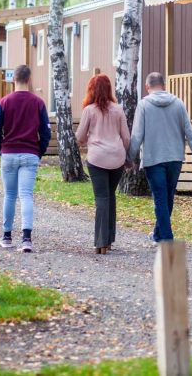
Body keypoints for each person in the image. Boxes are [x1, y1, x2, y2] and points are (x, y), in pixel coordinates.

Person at [128, 72, 192, 243]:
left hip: (153, 158)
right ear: (164, 85)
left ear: (147, 87)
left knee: (160, 198)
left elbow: (137, 135)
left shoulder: (144, 105)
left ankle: (167, 238)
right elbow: (189, 133)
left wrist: (129, 158)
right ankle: (158, 234)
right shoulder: (178, 104)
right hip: (175, 158)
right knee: (167, 197)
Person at [0, 64, 51, 253]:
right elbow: (46, 133)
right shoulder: (38, 103)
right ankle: (26, 239)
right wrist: (38, 152)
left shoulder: (4, 102)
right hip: (30, 154)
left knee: (9, 195)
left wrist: (2, 148)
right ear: (29, 79)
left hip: (8, 153)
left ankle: (7, 236)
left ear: (13, 79)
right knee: (26, 195)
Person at [76, 74, 130, 254]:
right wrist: (125, 155)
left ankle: (100, 242)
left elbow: (80, 137)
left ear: (91, 89)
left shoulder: (89, 111)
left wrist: (86, 141)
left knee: (102, 198)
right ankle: (109, 239)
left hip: (97, 158)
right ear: (109, 89)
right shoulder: (118, 109)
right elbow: (126, 138)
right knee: (110, 196)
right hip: (117, 158)